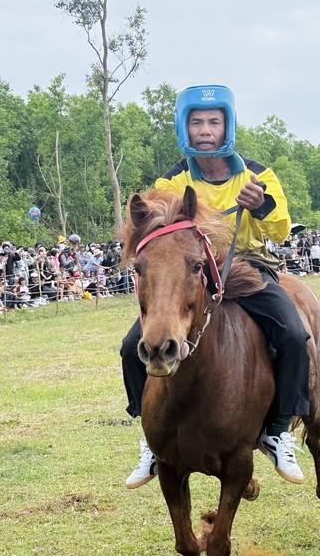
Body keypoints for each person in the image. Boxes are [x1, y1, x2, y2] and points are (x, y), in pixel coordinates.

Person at [122, 84, 308, 489]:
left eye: (214, 121)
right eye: (197, 122)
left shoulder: (258, 174)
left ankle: (277, 430)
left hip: (251, 267)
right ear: (184, 127)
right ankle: (151, 440)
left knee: (293, 334)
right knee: (128, 347)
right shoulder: (171, 182)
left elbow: (279, 229)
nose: (206, 129)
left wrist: (260, 204)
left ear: (228, 126)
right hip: (196, 272)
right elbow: (161, 230)